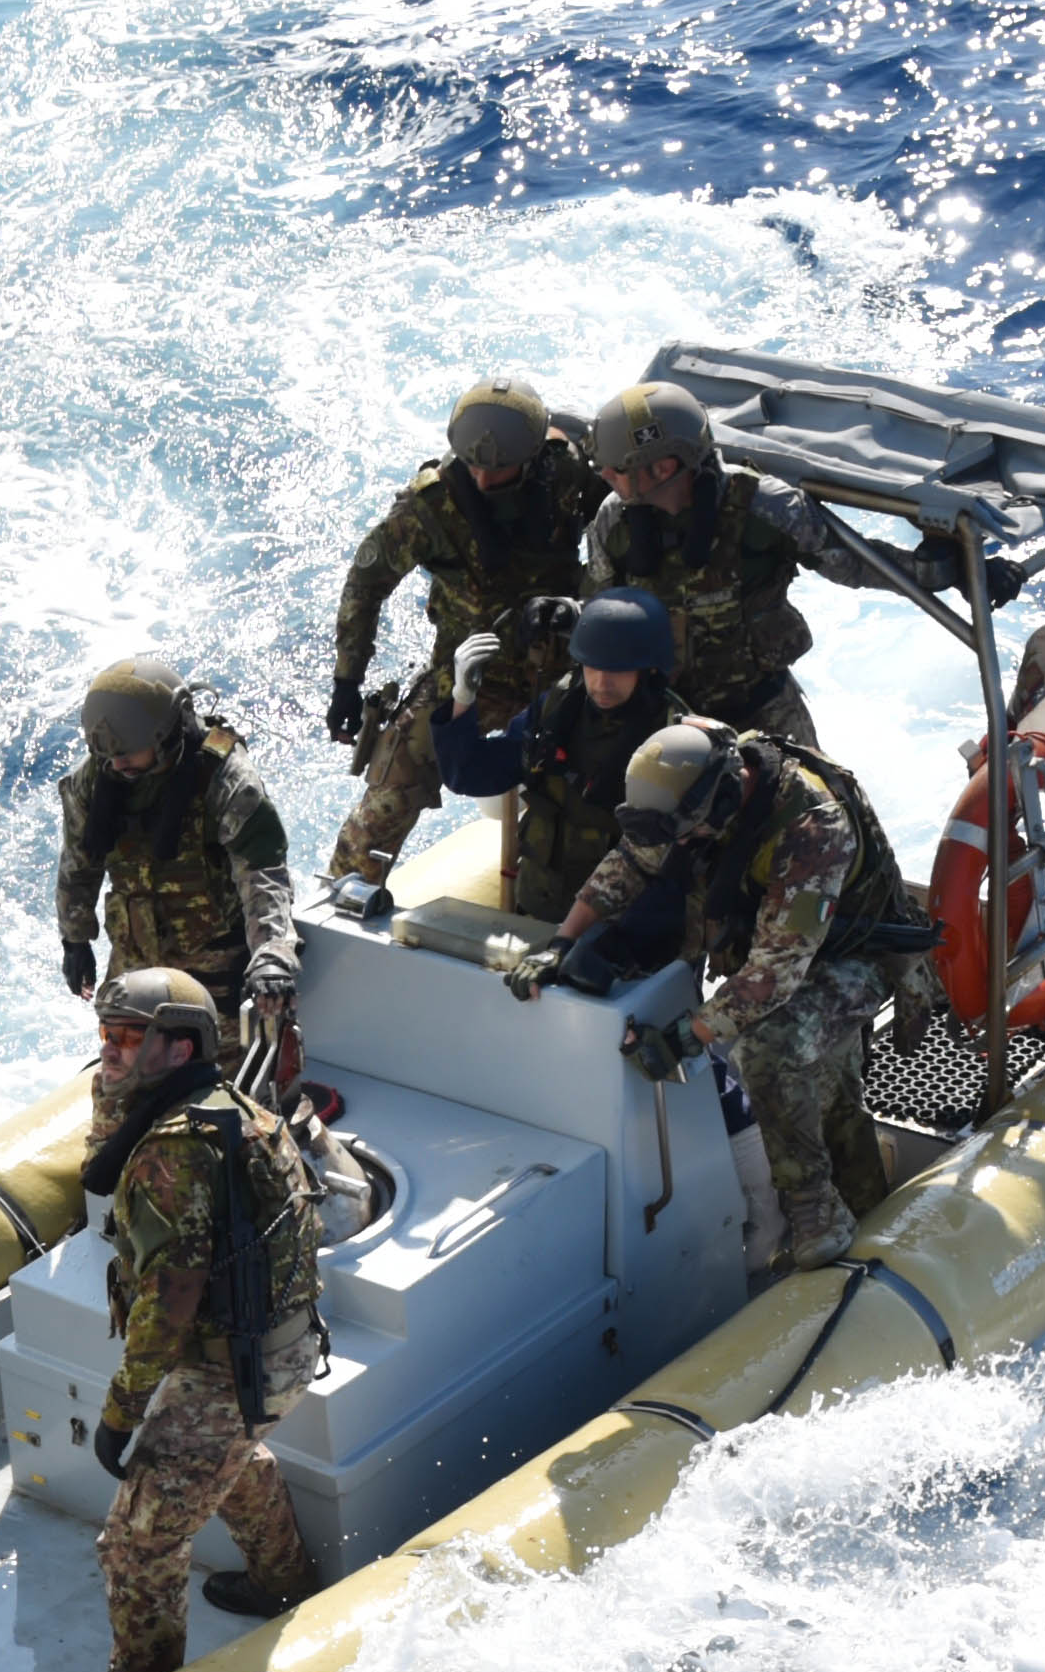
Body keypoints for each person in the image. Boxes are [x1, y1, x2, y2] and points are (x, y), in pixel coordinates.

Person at [554, 722, 932, 1272]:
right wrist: (562, 941)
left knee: (771, 1051)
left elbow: (774, 976)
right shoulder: (695, 793)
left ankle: (816, 1207)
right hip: (779, 943)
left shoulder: (811, 827)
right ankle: (857, 1202)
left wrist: (685, 1038)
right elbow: (632, 861)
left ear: (727, 798)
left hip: (854, 956)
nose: (681, 844)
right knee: (824, 1090)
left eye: (688, 833)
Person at [84, 969, 323, 1672]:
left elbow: (171, 1303)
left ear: (180, 1048)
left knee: (136, 1545)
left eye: (130, 1037)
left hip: (232, 1363)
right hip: (279, 1348)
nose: (110, 1050)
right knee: (229, 1457)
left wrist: (120, 1414)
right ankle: (284, 1583)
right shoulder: (228, 1111)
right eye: (106, 1034)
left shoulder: (174, 1152)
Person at [579, 377, 1020, 756]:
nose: (604, 476)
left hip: (765, 713)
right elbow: (597, 611)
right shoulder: (615, 522)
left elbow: (854, 563)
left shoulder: (766, 507)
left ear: (663, 467)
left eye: (616, 469)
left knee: (815, 815)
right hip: (665, 717)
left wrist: (959, 572)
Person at [320, 379, 602, 907]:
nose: (483, 478)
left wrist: (584, 609)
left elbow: (622, 536)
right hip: (471, 673)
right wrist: (346, 681)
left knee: (598, 789)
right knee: (391, 786)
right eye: (473, 465)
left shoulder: (568, 475)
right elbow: (366, 584)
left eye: (499, 468)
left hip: (564, 674)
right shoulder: (430, 507)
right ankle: (339, 901)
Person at [52, 656, 296, 1063]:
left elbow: (263, 878)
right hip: (135, 954)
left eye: (128, 754)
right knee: (128, 1063)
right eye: (109, 756)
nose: (118, 765)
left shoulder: (227, 782)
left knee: (224, 1070)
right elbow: (79, 862)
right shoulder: (97, 778)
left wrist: (271, 957)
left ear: (167, 733)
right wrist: (74, 939)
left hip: (215, 961)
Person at [432, 585, 697, 955]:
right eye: (593, 667)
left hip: (620, 936)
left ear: (648, 669)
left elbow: (678, 865)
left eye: (618, 671)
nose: (601, 684)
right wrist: (463, 697)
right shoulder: (559, 707)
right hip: (537, 914)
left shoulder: (676, 738)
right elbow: (471, 774)